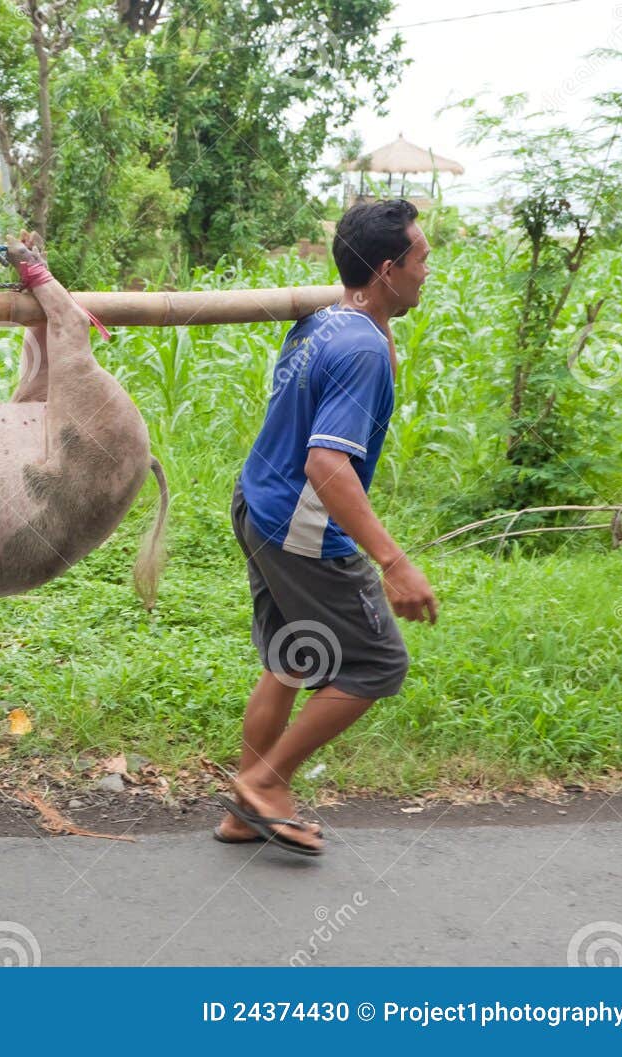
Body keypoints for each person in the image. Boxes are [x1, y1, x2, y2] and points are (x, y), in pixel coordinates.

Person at [219, 198, 439, 857]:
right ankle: (265, 783)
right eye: (422, 260)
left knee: (291, 657)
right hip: (302, 527)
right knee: (377, 662)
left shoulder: (325, 321)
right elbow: (328, 464)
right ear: (388, 268)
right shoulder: (361, 347)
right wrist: (394, 562)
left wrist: (382, 314)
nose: (429, 271)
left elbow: (365, 366)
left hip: (257, 503)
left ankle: (244, 809)